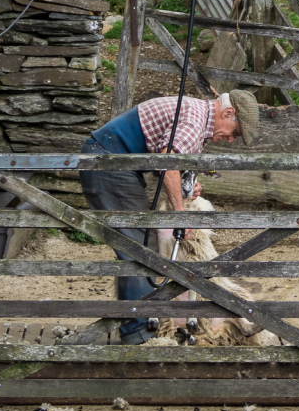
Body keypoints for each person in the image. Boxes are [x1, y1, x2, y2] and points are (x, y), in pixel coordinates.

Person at [79, 90, 260, 344]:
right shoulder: (195, 120)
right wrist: (179, 214)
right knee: (137, 248)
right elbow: (168, 162)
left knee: (142, 245)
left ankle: (144, 325)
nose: (230, 140)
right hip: (108, 162)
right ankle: (139, 334)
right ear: (228, 113)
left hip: (117, 163)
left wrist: (190, 185)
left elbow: (171, 162)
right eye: (235, 133)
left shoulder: (198, 119)